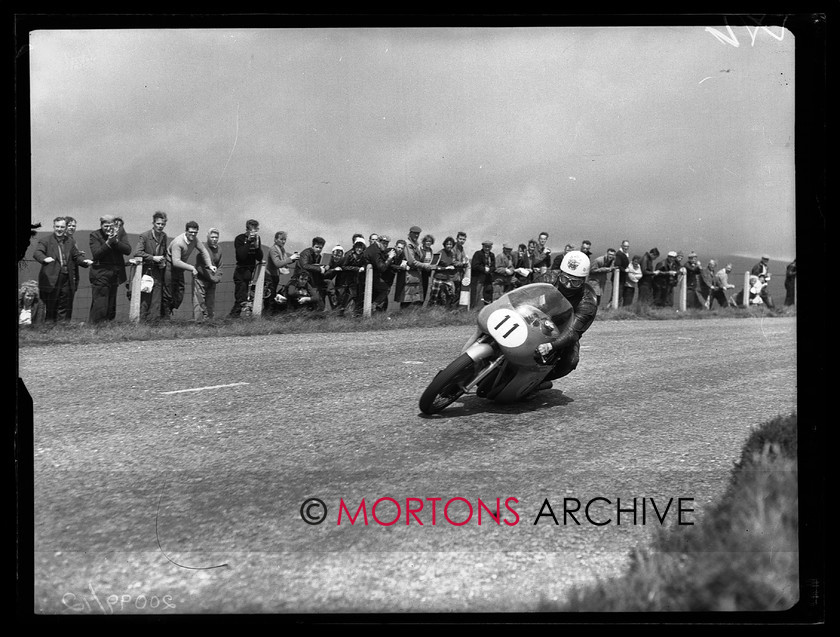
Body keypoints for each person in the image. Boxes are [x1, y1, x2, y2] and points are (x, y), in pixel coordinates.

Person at [535, 250, 598, 389]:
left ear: (583, 280)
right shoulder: (548, 278)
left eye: (575, 282)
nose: (568, 286)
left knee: (571, 360)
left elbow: (573, 332)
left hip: (562, 331)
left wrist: (550, 346)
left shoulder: (588, 301)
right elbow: (524, 293)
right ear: (560, 274)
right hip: (534, 318)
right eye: (564, 279)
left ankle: (537, 382)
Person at [32, 217, 92, 322]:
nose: (59, 229)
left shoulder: (70, 241)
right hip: (51, 278)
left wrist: (84, 262)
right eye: (57, 227)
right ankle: (49, 329)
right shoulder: (45, 240)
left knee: (64, 304)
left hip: (66, 278)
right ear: (53, 227)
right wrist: (44, 259)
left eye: (62, 227)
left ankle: (62, 329)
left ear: (65, 228)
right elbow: (37, 253)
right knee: (51, 307)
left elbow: (76, 256)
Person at [166, 221, 216, 318]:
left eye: (195, 232)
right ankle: (165, 316)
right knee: (168, 292)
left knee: (180, 293)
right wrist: (191, 268)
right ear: (186, 231)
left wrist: (210, 265)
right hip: (169, 266)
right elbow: (176, 261)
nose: (193, 234)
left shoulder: (195, 240)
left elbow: (203, 251)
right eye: (191, 232)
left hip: (180, 268)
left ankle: (169, 310)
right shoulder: (178, 242)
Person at [88, 214, 131, 323]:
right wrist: (108, 243)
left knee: (111, 303)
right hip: (100, 273)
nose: (108, 229)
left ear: (115, 225)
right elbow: (96, 254)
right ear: (101, 225)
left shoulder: (120, 234)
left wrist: (116, 241)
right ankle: (96, 326)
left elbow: (127, 250)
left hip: (115, 274)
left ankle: (107, 325)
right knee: (100, 303)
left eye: (110, 226)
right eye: (105, 226)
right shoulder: (95, 235)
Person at [134, 211, 170, 322]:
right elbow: (138, 252)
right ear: (153, 223)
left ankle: (154, 324)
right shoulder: (145, 236)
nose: (160, 226)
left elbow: (163, 252)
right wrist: (153, 258)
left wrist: (163, 261)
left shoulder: (164, 237)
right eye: (158, 224)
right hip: (146, 271)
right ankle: (141, 323)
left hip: (158, 272)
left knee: (156, 299)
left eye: (162, 224)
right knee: (145, 299)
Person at [229, 219, 264, 318]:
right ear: (247, 230)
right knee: (241, 299)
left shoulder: (257, 239)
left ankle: (237, 318)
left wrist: (257, 247)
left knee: (249, 300)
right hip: (241, 272)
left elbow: (259, 257)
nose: (253, 233)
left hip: (251, 273)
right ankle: (232, 318)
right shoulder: (239, 239)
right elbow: (241, 256)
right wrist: (248, 242)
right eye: (252, 231)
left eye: (255, 231)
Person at [192, 227, 224, 321]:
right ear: (208, 237)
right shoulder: (202, 248)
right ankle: (198, 323)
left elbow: (220, 265)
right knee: (199, 302)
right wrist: (211, 277)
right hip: (201, 279)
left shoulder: (219, 249)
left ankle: (210, 322)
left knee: (210, 303)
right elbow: (199, 266)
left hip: (213, 280)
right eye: (212, 237)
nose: (214, 239)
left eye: (216, 237)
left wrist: (217, 277)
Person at [265, 231, 300, 314]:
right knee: (269, 298)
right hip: (269, 276)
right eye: (281, 239)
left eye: (285, 239)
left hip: (275, 275)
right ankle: (267, 316)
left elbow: (284, 261)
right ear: (275, 239)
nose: (283, 241)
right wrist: (291, 258)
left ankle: (268, 315)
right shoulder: (273, 249)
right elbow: (277, 263)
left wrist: (294, 259)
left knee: (272, 297)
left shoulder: (281, 249)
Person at [295, 236, 329, 311]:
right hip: (301, 279)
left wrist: (323, 267)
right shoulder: (305, 253)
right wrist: (319, 269)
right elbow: (304, 265)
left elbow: (313, 267)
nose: (318, 249)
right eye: (317, 247)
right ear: (312, 246)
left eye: (320, 248)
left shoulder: (319, 256)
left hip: (311, 280)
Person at [401, 226, 431, 308]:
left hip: (416, 275)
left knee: (415, 300)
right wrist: (424, 265)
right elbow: (411, 261)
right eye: (415, 233)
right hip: (409, 274)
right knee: (407, 299)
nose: (416, 235)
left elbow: (420, 258)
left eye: (418, 234)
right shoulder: (407, 244)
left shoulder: (416, 244)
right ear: (410, 233)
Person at [336, 237, 367, 316]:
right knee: (344, 297)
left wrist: (363, 267)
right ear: (354, 247)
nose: (359, 249)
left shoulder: (362, 256)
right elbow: (343, 266)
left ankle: (352, 313)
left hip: (354, 280)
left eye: (361, 248)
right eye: (358, 247)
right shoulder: (349, 255)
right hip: (345, 279)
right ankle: (341, 313)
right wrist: (357, 269)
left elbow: (365, 263)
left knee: (354, 295)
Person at [62, 216, 86, 320]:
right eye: (69, 225)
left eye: (74, 226)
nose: (72, 228)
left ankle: (66, 325)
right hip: (64, 276)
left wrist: (78, 253)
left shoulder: (73, 240)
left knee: (68, 302)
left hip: (73, 274)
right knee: (63, 303)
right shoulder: (61, 239)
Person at [428, 236, 459, 307]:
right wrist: (445, 268)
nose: (449, 246)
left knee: (451, 294)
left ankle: (447, 308)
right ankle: (431, 309)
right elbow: (434, 266)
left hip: (447, 278)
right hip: (438, 277)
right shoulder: (439, 253)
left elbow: (452, 263)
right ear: (445, 245)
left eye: (451, 244)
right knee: (434, 295)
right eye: (447, 244)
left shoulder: (451, 254)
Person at [470, 240, 496, 307]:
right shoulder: (478, 254)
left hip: (488, 277)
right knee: (476, 293)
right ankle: (473, 307)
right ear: (483, 246)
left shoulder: (492, 255)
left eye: (489, 247)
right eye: (486, 247)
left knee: (488, 291)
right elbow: (475, 265)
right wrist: (484, 269)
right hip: (478, 277)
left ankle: (487, 306)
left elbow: (493, 266)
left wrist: (489, 270)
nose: (487, 248)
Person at [452, 231, 470, 300]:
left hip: (459, 274)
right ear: (456, 239)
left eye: (463, 239)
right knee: (453, 292)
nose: (462, 241)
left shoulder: (461, 248)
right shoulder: (454, 248)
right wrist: (462, 264)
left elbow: (464, 258)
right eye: (460, 239)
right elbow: (453, 262)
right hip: (453, 274)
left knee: (458, 292)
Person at [613, 239, 631, 306]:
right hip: (618, 278)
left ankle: (615, 308)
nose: (626, 248)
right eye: (624, 246)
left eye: (627, 246)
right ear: (621, 246)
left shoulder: (625, 254)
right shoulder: (619, 254)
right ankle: (612, 309)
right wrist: (625, 270)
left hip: (622, 278)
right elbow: (618, 265)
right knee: (617, 294)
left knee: (619, 294)